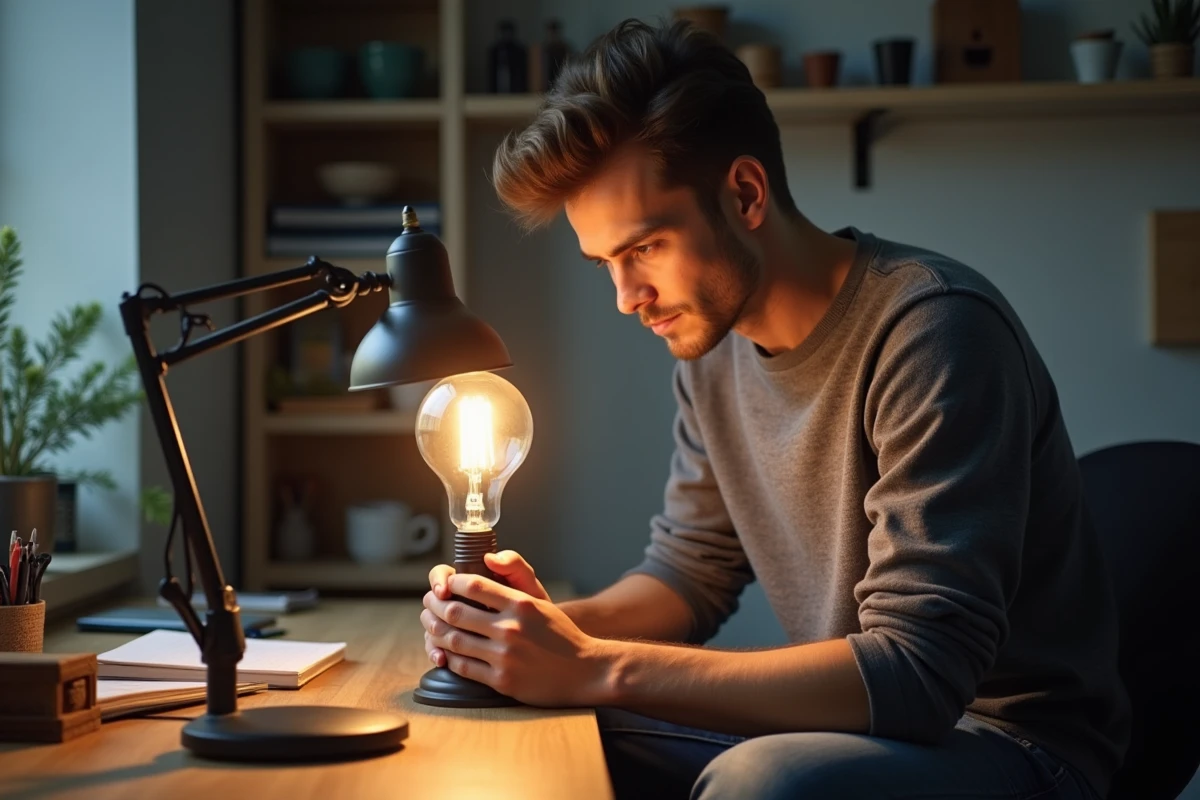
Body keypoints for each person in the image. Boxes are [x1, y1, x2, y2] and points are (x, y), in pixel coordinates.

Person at [420, 18, 1129, 800]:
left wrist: (596, 665)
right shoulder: (710, 349)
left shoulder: (934, 332)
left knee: (763, 782)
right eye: (605, 264)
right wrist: (547, 631)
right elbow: (690, 573)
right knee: (521, 731)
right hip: (865, 734)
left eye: (645, 247)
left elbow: (919, 676)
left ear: (746, 194)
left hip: (1016, 747)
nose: (628, 298)